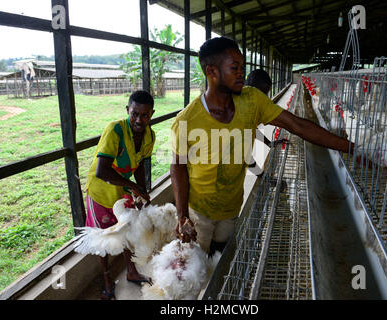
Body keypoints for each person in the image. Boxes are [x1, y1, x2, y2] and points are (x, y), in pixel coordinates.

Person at [170, 37, 355, 257]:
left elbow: (297, 125)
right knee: (194, 262)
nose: (241, 73)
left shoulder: (252, 100)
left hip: (231, 206)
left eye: (242, 68)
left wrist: (350, 147)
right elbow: (178, 167)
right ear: (212, 72)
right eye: (235, 68)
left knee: (221, 254)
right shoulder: (186, 120)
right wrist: (182, 216)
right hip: (199, 210)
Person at [84, 90, 155, 300]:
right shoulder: (115, 130)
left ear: (151, 114)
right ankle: (107, 280)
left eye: (144, 115)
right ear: (127, 111)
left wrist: (142, 191)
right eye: (134, 114)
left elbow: (141, 163)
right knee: (101, 239)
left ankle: (131, 271)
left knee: (126, 231)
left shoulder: (149, 135)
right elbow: (102, 170)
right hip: (101, 192)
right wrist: (133, 187)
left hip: (122, 191)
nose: (139, 120)